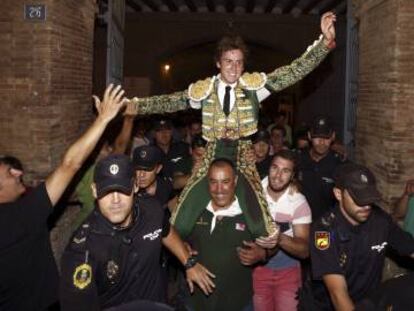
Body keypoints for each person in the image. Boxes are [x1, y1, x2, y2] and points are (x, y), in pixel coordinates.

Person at [131, 12, 337, 241]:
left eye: (239, 62)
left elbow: (292, 72)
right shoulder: (205, 90)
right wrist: (133, 106)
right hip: (212, 152)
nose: (234, 67)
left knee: (261, 224)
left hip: (242, 154)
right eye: (228, 61)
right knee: (183, 217)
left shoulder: (254, 87)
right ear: (219, 63)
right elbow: (170, 101)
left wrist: (324, 44)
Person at [0, 84, 127, 310]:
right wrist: (103, 119)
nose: (19, 172)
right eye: (9, 173)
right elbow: (70, 165)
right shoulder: (18, 217)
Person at [60, 154, 215, 311]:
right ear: (94, 190)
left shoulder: (152, 210)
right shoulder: (82, 251)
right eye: (107, 191)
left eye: (122, 190)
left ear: (134, 186)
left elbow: (166, 231)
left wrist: (188, 262)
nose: (115, 200)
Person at [307, 163, 414, 311]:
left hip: (368, 302)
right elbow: (338, 293)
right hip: (329, 306)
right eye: (359, 199)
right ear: (338, 194)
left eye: (370, 198)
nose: (366, 206)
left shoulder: (381, 221)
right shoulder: (324, 231)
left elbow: (409, 247)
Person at [185, 158, 267, 311]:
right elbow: (174, 236)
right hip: (197, 301)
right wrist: (184, 253)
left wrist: (263, 253)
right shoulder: (194, 210)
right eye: (213, 182)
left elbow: (272, 243)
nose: (219, 189)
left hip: (238, 302)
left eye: (225, 181)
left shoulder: (251, 211)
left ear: (235, 181)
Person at [253, 150, 312, 311]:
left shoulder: (298, 202)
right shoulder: (254, 192)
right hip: (257, 270)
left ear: (293, 175)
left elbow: (305, 250)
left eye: (285, 171)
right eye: (275, 168)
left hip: (288, 272)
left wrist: (279, 238)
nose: (278, 175)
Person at [296, 115, 345, 222]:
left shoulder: (340, 165)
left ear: (333, 136)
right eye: (317, 137)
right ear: (309, 136)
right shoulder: (298, 158)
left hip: (325, 225)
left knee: (322, 239)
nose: (322, 142)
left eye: (326, 137)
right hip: (299, 222)